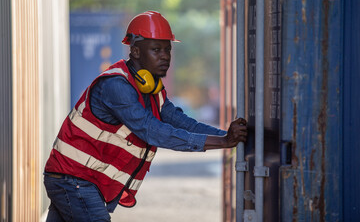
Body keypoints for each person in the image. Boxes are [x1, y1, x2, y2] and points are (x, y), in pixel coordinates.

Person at [43, 11, 247, 222]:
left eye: (167, 49)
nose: (165, 56)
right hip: (74, 178)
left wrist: (227, 136)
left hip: (75, 178)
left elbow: (182, 122)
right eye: (156, 50)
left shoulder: (152, 90)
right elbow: (153, 131)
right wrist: (223, 141)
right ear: (136, 52)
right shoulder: (116, 86)